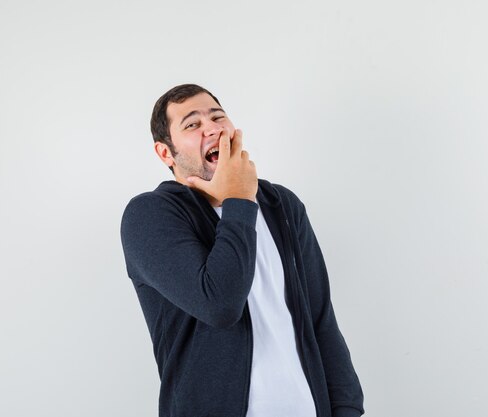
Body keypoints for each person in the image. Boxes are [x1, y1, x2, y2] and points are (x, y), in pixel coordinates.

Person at [120, 84, 365, 417]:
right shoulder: (150, 215)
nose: (213, 128)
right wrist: (238, 200)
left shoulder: (282, 206)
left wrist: (348, 410)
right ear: (166, 153)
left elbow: (320, 320)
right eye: (192, 124)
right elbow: (219, 303)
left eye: (218, 117)